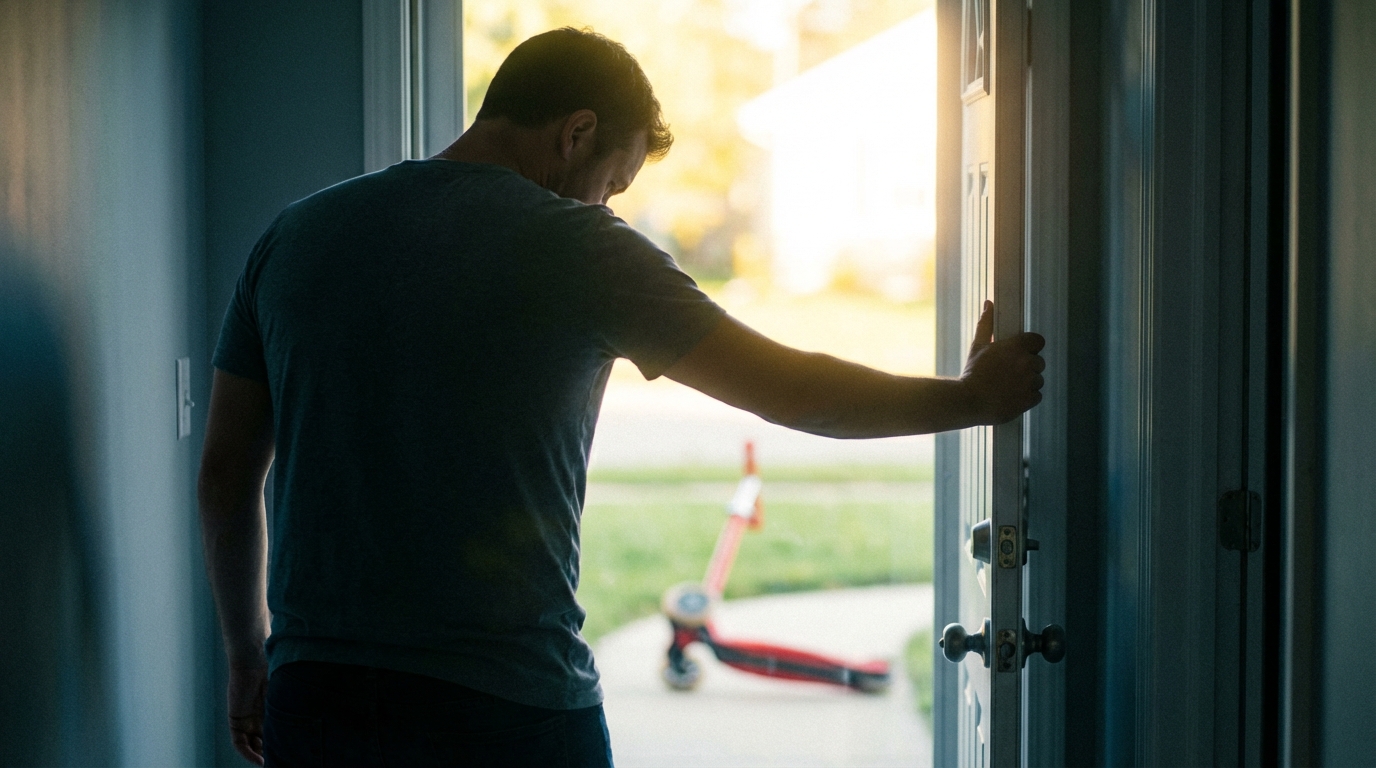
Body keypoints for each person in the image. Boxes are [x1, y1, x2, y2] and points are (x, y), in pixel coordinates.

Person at [197, 27, 1044, 768]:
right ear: (577, 133)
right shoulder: (581, 250)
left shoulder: (296, 236)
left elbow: (228, 474)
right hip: (504, 706)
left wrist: (247, 653)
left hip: (317, 700)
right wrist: (969, 399)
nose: (609, 201)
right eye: (616, 179)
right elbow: (793, 391)